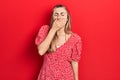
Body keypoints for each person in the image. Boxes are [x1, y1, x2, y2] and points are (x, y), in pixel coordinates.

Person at [35, 4, 82, 80]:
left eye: (62, 14)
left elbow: (74, 62)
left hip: (66, 77)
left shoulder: (75, 39)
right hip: (47, 76)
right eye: (56, 15)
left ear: (67, 18)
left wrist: (76, 79)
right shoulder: (45, 30)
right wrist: (53, 29)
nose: (59, 17)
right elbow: (41, 51)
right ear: (52, 18)